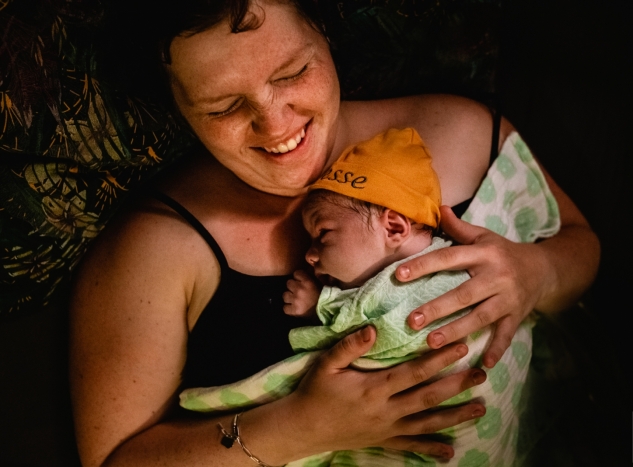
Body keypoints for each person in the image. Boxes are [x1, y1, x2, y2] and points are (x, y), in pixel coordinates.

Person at [69, 1, 601, 466]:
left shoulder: (458, 130)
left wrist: (537, 272)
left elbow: (582, 245)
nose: (276, 125)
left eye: (293, 72)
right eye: (224, 107)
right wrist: (298, 428)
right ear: (177, 104)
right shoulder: (156, 250)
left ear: (323, 30)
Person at [179, 126, 561, 466]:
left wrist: (320, 307)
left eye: (322, 234)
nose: (309, 255)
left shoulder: (442, 274)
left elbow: (384, 334)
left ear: (393, 226)